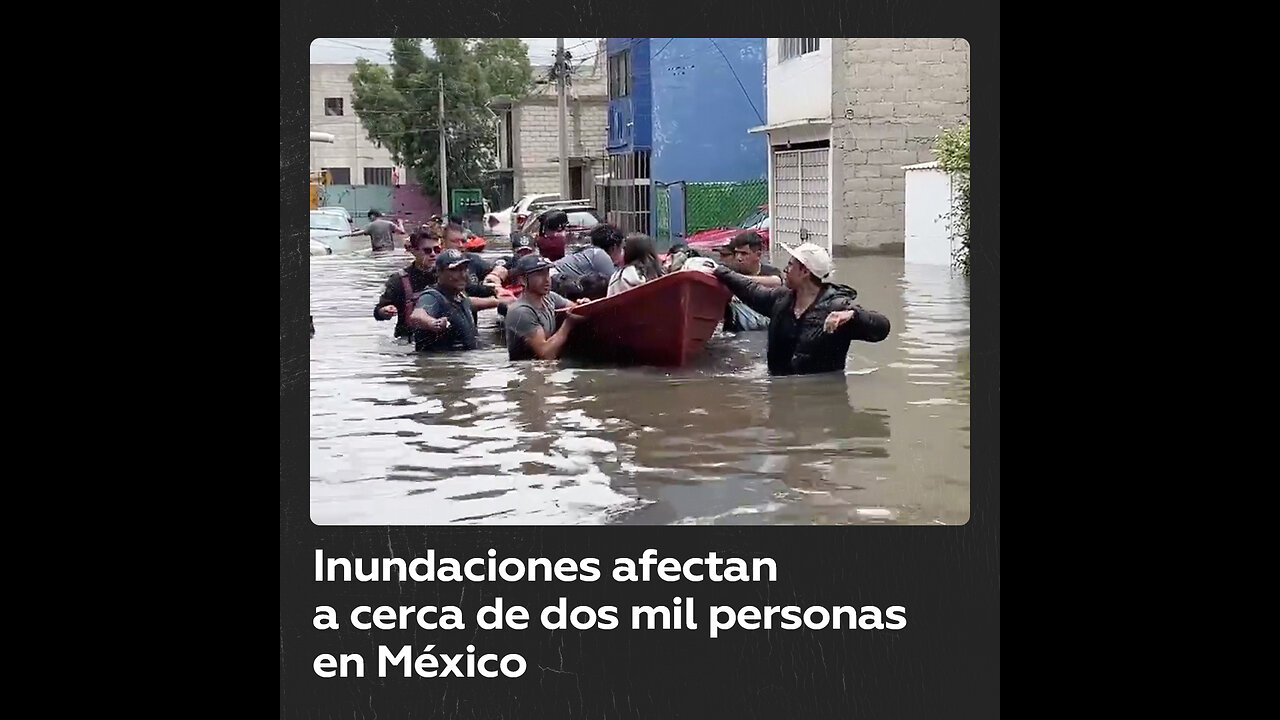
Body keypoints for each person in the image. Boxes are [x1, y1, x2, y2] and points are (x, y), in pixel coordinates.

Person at [711, 242, 891, 376]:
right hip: (781, 394)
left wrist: (853, 315)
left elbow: (882, 327)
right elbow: (751, 290)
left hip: (821, 401)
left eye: (790, 265)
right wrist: (719, 271)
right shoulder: (781, 300)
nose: (785, 270)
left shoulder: (836, 306)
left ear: (805, 272)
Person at [504, 253, 589, 361]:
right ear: (522, 280)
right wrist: (568, 323)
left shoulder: (550, 298)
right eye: (539, 274)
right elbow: (545, 354)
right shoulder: (521, 311)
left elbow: (575, 309)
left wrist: (584, 305)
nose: (547, 279)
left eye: (547, 273)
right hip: (526, 370)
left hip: (544, 367)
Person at [406, 249, 483, 352]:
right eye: (454, 270)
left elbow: (473, 302)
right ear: (439, 272)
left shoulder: (459, 296)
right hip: (441, 364)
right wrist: (433, 323)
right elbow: (417, 315)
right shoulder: (431, 297)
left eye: (464, 269)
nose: (462, 275)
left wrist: (500, 301)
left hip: (464, 360)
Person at [373, 231, 443, 340]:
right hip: (408, 340)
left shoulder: (446, 275)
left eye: (437, 250)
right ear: (413, 251)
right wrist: (385, 311)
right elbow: (378, 312)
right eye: (427, 251)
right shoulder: (399, 280)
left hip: (440, 339)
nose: (433, 254)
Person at [721, 231, 785, 332]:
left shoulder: (770, 272)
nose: (738, 258)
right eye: (736, 253)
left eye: (744, 253)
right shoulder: (728, 270)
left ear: (758, 255)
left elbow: (777, 281)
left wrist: (735, 279)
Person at [552, 223, 623, 300]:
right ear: (614, 247)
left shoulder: (591, 252)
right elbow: (616, 285)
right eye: (621, 248)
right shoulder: (600, 254)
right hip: (555, 281)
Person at [340, 209, 407, 252]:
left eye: (369, 217)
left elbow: (360, 233)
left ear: (372, 216)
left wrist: (346, 235)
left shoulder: (371, 226)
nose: (369, 219)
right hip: (390, 250)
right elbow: (402, 231)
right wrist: (400, 223)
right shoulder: (389, 224)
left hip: (378, 250)